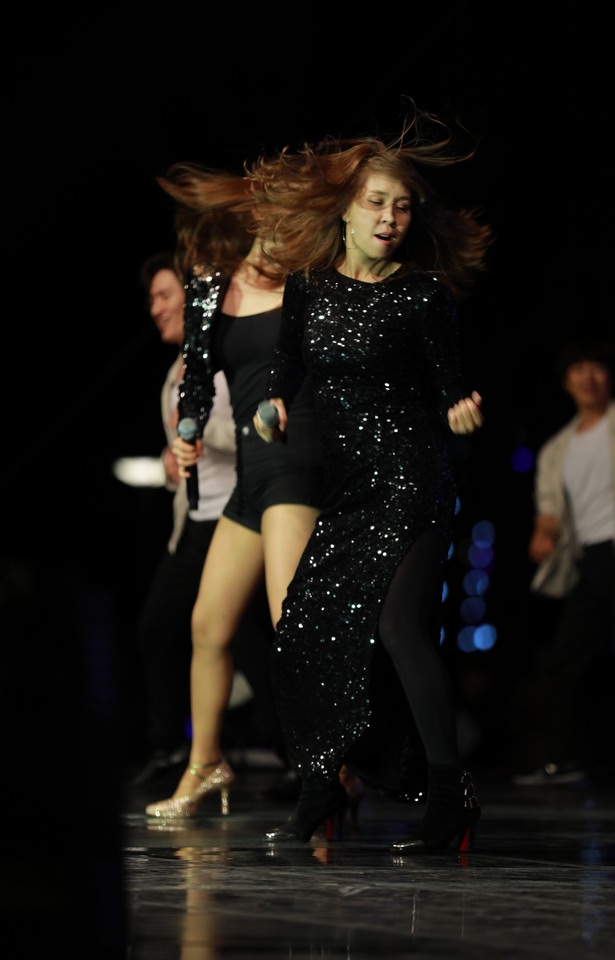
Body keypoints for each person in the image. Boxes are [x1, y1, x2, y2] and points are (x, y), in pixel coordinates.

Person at [250, 101, 491, 853]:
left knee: (396, 627)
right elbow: (285, 370)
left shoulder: (422, 296)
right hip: (350, 490)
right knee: (303, 628)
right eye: (378, 202)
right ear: (347, 210)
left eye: (403, 206)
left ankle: (451, 795)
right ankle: (322, 785)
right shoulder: (307, 289)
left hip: (412, 481)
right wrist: (270, 406)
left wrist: (460, 411)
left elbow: (451, 388)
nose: (391, 217)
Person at [144, 165, 327, 819]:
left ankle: (325, 772)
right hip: (250, 476)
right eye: (276, 226)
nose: (285, 240)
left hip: (295, 463)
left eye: (295, 229)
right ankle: (205, 765)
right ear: (251, 226)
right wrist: (188, 431)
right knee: (207, 625)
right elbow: (196, 380)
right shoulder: (210, 290)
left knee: (290, 624)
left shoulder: (307, 286)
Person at [130, 252, 276, 787]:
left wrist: (197, 431)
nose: (156, 308)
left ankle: (300, 759)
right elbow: (182, 450)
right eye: (152, 299)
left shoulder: (224, 356)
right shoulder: (176, 372)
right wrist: (172, 462)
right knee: (159, 628)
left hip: (235, 517)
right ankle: (173, 749)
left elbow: (255, 433)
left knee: (253, 643)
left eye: (165, 295)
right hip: (194, 520)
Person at [511, 337, 615, 791]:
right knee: (566, 659)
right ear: (566, 381)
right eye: (578, 369)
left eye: (596, 367)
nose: (588, 377)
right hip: (589, 559)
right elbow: (549, 509)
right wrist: (544, 533)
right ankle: (562, 759)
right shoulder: (556, 448)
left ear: (610, 376)